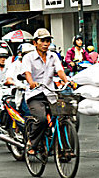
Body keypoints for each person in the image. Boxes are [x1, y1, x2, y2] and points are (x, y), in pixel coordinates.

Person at [22, 28, 70, 157]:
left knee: (63, 118)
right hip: (35, 95)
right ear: (35, 43)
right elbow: (27, 73)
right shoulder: (28, 57)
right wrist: (31, 83)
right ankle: (32, 142)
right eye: (42, 40)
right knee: (42, 119)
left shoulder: (53, 56)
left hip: (51, 93)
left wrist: (66, 80)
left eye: (48, 41)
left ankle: (64, 149)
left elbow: (60, 71)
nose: (46, 43)